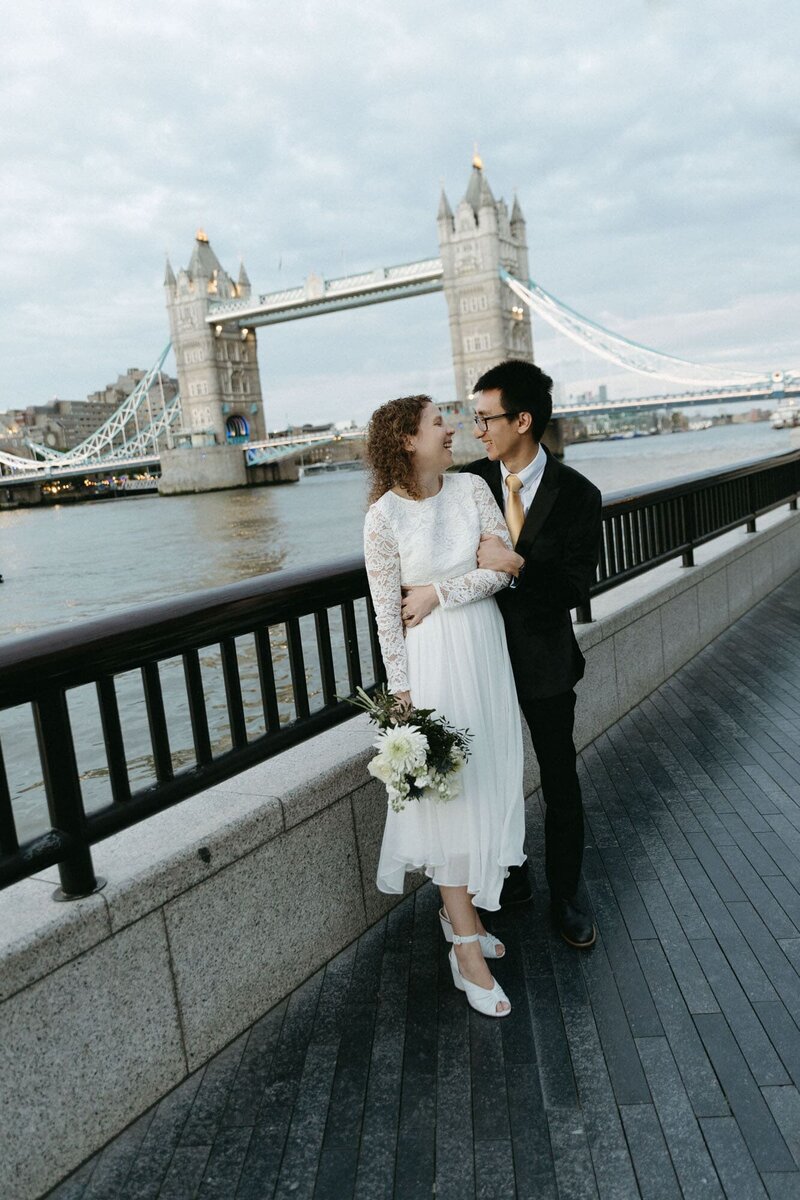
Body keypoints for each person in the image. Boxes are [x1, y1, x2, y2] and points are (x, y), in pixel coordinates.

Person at [363, 395, 525, 1017]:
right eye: (438, 422)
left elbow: (503, 569)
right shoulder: (382, 519)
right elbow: (385, 616)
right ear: (407, 439)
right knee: (447, 796)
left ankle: (463, 914)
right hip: (431, 666)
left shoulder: (474, 489)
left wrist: (438, 591)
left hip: (483, 653)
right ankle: (465, 947)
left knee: (483, 783)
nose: (452, 427)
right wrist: (402, 698)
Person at [462, 359, 602, 949]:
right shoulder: (467, 483)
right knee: (489, 779)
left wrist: (515, 567)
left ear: (522, 420)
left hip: (544, 658)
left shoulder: (577, 494)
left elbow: (573, 587)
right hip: (479, 658)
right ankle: (510, 879)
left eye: (485, 418)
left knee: (559, 778)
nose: (477, 432)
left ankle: (566, 894)